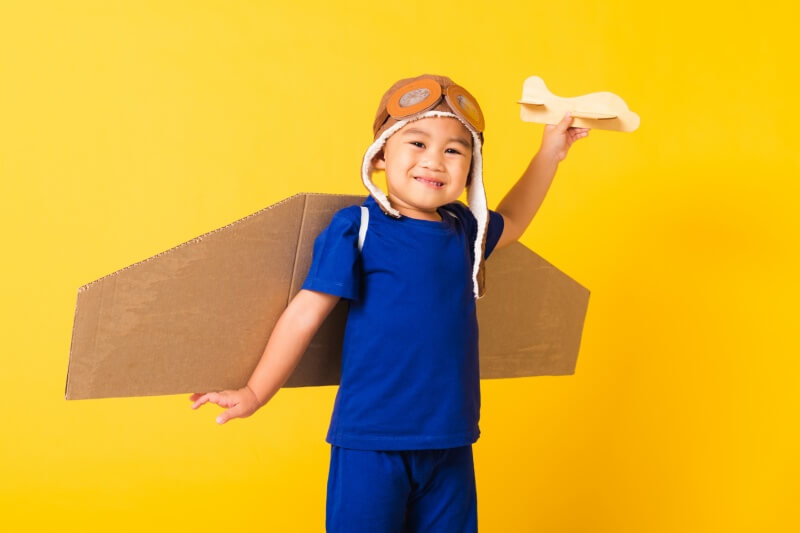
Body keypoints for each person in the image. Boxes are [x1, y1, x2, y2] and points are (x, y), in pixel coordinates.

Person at [189, 73, 589, 532]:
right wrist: (255, 392)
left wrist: (550, 153)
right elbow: (304, 314)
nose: (435, 161)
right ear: (380, 155)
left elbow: (514, 220)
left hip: (450, 440)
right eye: (417, 143)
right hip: (370, 441)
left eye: (454, 150)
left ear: (470, 169)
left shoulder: (464, 228)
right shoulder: (357, 228)